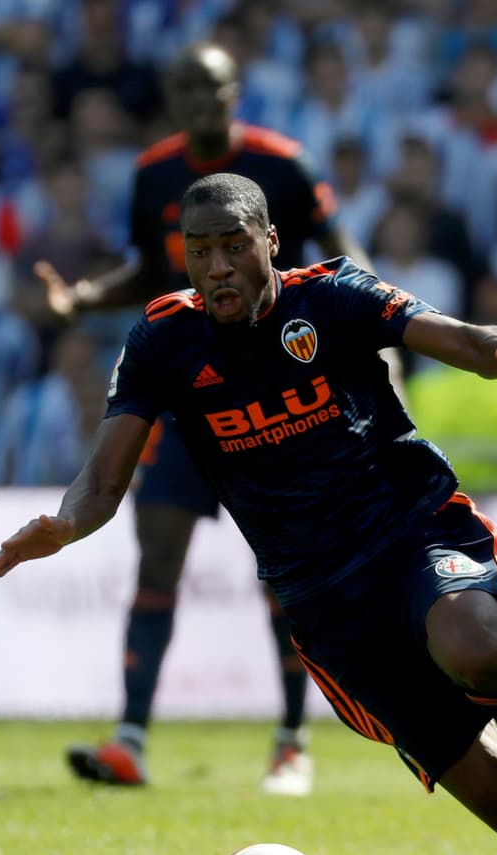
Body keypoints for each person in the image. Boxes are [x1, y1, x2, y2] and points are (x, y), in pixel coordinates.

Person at [0, 172, 497, 855]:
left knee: (477, 644)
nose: (217, 267)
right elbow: (102, 480)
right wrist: (66, 524)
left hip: (408, 528)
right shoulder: (164, 340)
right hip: (320, 595)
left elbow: (457, 338)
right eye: (200, 251)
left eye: (234, 246)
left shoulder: (330, 296)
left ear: (269, 241)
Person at [34, 42, 372, 795]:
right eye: (183, 86)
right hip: (189, 400)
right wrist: (84, 299)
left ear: (234, 92)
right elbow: (152, 276)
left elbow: (345, 258)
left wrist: (384, 323)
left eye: (210, 87)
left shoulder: (285, 164)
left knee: (283, 578)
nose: (197, 99)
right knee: (156, 559)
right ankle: (130, 740)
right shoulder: (153, 173)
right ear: (172, 95)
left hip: (279, 399)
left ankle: (291, 743)